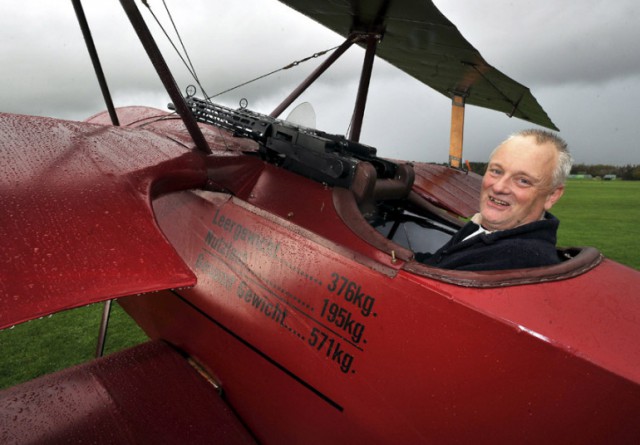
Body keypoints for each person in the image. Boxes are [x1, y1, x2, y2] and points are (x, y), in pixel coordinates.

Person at [417, 129, 573, 271]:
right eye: (496, 171)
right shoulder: (488, 228)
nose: (499, 187)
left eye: (523, 181)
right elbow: (436, 262)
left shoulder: (514, 259)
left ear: (552, 195)